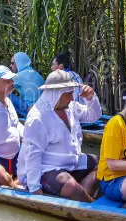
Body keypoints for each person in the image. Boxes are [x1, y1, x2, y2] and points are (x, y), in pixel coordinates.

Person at [17, 70, 102, 201]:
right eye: (68, 95)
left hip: (72, 163)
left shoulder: (70, 107)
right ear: (56, 94)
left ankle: (83, 197)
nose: (72, 98)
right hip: (45, 169)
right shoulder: (38, 118)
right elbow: (33, 155)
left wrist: (91, 99)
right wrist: (34, 188)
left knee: (103, 165)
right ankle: (92, 206)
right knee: (70, 185)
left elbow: (93, 116)